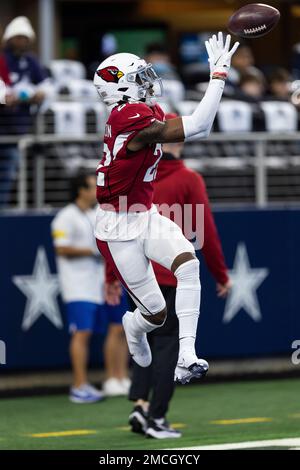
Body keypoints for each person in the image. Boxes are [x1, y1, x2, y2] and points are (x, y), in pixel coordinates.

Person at [93, 32, 239, 386]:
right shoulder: (129, 116)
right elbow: (200, 127)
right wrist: (218, 76)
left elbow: (190, 122)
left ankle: (186, 356)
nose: (149, 82)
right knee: (154, 314)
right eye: (139, 78)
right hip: (116, 226)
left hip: (145, 213)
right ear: (120, 89)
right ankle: (134, 325)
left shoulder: (143, 112)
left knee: (188, 264)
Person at [106, 119, 231, 438]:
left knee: (144, 339)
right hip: (172, 274)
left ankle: (139, 404)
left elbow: (114, 228)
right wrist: (220, 274)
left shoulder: (133, 178)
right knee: (166, 347)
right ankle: (156, 417)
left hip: (136, 272)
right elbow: (205, 230)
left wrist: (112, 274)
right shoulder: (188, 178)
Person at [51, 172, 130, 402]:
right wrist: (93, 251)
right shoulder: (64, 217)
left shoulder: (100, 213)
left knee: (119, 327)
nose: (97, 190)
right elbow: (61, 248)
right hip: (77, 286)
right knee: (82, 333)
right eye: (92, 187)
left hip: (101, 283)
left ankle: (117, 378)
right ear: (81, 190)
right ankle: (79, 385)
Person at [0, 16, 47, 207]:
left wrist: (37, 93)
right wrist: (6, 97)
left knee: (9, 173)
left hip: (17, 130)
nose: (22, 42)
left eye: (25, 38)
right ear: (10, 38)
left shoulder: (31, 61)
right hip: (3, 129)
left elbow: (46, 86)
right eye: (18, 37)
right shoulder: (2, 59)